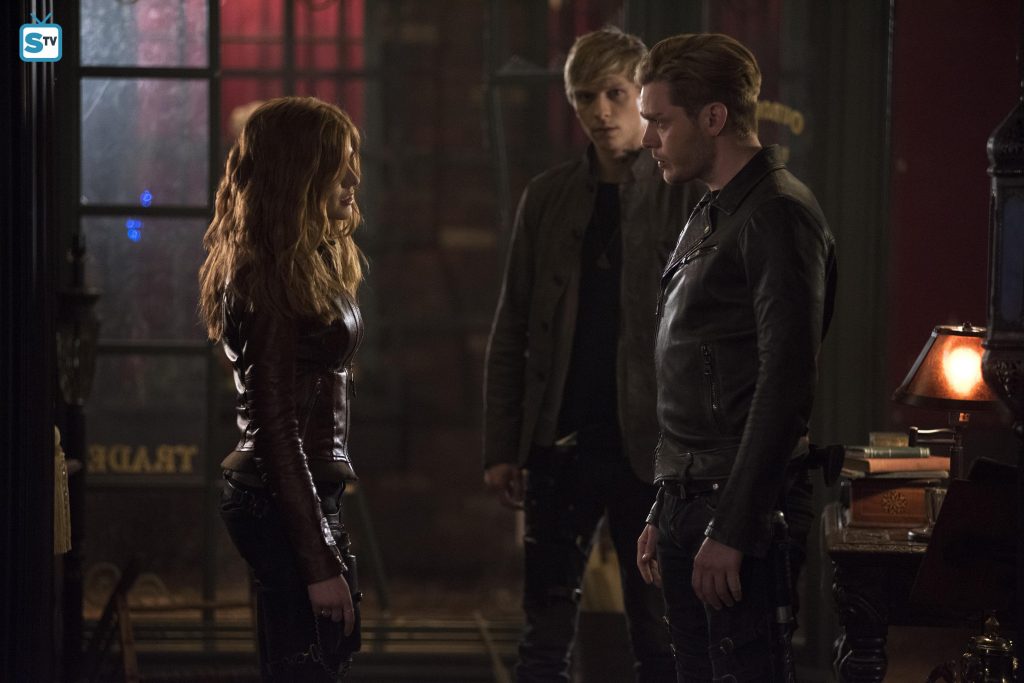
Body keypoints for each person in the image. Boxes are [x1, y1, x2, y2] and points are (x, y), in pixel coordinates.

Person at [483, 27, 702, 683]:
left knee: (659, 636)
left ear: (642, 95)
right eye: (584, 97)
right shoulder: (548, 196)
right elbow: (512, 326)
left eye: (614, 94)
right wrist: (503, 446)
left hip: (651, 448)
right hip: (563, 442)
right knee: (544, 637)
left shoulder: (681, 192)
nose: (600, 112)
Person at [633, 33, 837, 681]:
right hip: (691, 496)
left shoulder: (777, 214)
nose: (648, 139)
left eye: (661, 121)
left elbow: (786, 381)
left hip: (737, 502)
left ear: (714, 117)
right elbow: (694, 372)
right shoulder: (713, 209)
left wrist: (734, 526)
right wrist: (665, 502)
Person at [199, 96, 366, 681]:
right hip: (281, 498)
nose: (352, 181)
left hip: (295, 495)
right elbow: (276, 426)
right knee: (307, 665)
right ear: (301, 173)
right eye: (338, 167)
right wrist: (317, 563)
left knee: (318, 660)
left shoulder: (297, 261)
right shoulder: (269, 275)